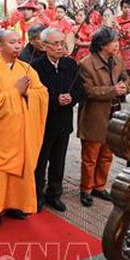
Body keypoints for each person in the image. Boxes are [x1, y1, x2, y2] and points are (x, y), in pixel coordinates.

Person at [0, 30, 49, 225]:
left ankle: (15, 206)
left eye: (19, 42)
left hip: (21, 132)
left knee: (19, 171)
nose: (17, 45)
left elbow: (42, 92)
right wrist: (15, 91)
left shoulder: (26, 68)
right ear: (0, 45)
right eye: (12, 42)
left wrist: (28, 95)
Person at [79, 27, 130, 206]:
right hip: (94, 116)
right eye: (113, 42)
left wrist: (125, 86)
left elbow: (127, 80)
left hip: (114, 114)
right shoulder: (86, 63)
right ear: (102, 45)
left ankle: (100, 186)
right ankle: (86, 189)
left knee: (107, 155)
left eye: (117, 41)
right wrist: (112, 90)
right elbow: (87, 91)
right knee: (90, 156)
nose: (117, 45)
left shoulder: (117, 60)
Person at [32, 27, 82, 212]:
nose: (60, 47)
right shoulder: (36, 67)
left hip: (64, 120)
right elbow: (34, 94)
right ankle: (36, 195)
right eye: (55, 44)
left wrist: (71, 98)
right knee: (40, 161)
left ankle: (55, 194)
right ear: (45, 46)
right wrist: (55, 99)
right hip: (44, 121)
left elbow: (79, 88)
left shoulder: (70, 64)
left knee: (58, 161)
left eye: (62, 43)